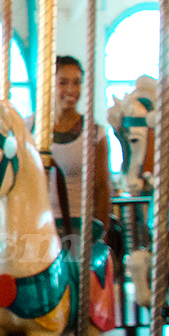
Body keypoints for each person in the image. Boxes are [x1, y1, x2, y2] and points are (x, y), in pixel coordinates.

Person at [31, 54, 113, 226]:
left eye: (77, 82)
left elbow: (101, 189)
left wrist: (100, 233)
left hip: (79, 224)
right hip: (38, 224)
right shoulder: (29, 128)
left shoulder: (94, 133)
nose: (71, 89)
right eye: (63, 82)